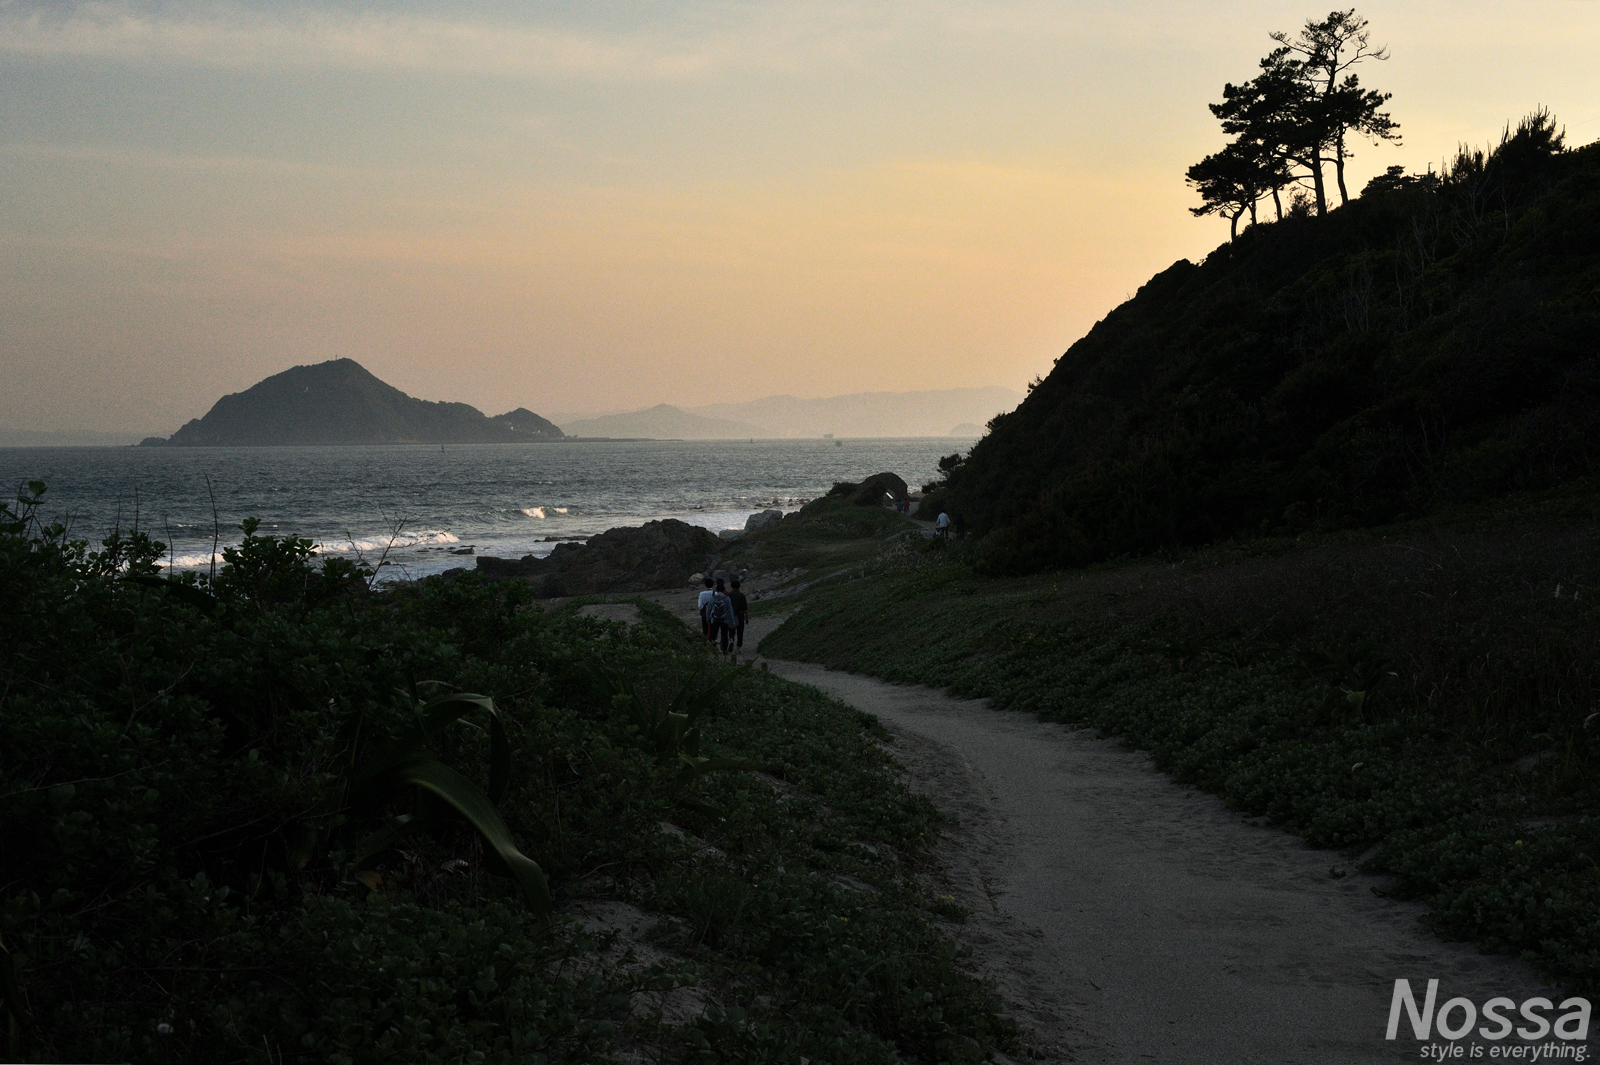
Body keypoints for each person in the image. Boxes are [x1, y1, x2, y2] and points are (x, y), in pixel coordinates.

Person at [708, 578, 736, 655]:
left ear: (716, 590)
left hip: (715, 619)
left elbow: (709, 609)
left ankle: (714, 650)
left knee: (714, 634)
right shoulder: (726, 598)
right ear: (724, 590)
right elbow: (730, 610)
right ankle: (724, 650)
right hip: (724, 619)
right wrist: (732, 620)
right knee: (724, 635)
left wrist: (708, 618)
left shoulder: (713, 598)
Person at [728, 578, 749, 658]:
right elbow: (745, 607)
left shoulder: (729, 595)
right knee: (740, 633)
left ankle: (731, 640)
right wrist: (747, 617)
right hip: (740, 616)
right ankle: (737, 649)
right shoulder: (741, 595)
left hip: (731, 616)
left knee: (731, 631)